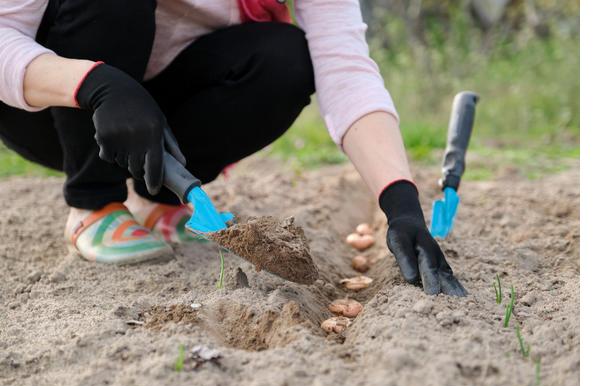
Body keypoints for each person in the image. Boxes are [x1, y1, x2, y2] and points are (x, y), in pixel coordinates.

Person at [0, 0, 467, 296]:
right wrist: (93, 84)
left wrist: (399, 201)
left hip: (165, 108)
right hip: (55, 108)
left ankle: (158, 198)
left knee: (285, 59)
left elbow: (346, 72)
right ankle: (93, 204)